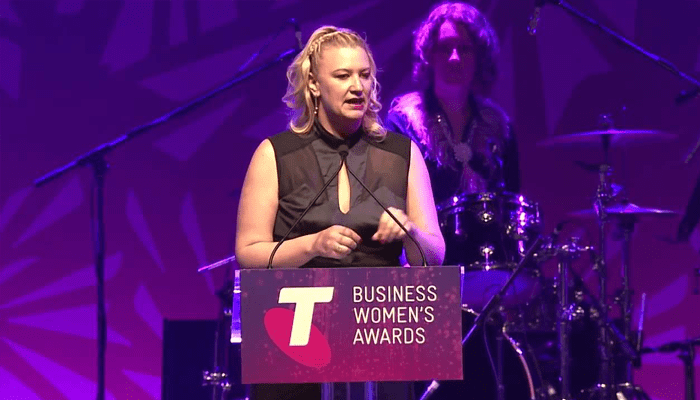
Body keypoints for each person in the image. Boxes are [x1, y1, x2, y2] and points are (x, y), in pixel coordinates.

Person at [235, 25, 445, 400]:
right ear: (314, 85)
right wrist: (311, 244)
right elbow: (248, 252)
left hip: (379, 338)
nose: (357, 86)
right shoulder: (274, 154)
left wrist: (410, 231)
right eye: (343, 75)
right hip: (296, 342)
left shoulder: (403, 154)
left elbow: (435, 255)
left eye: (365, 75)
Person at [385, 1, 520, 268]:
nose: (454, 58)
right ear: (429, 54)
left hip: (489, 267)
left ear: (479, 56)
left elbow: (512, 205)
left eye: (465, 49)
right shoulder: (403, 122)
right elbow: (389, 205)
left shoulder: (499, 126)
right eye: (444, 48)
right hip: (425, 268)